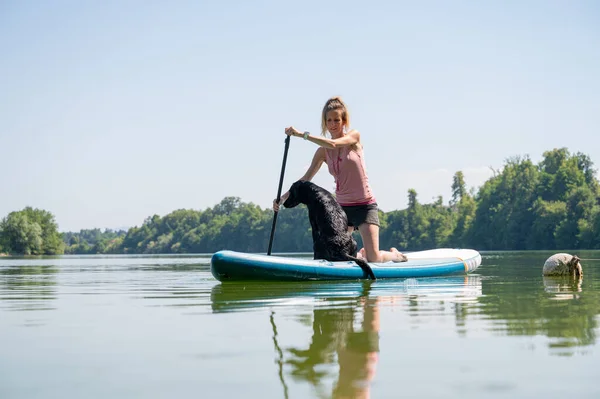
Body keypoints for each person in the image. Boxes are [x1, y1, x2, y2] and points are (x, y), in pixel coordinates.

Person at [273, 96, 406, 263]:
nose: (333, 124)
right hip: (342, 209)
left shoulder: (353, 138)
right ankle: (361, 255)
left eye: (337, 120)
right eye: (329, 120)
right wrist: (283, 197)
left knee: (374, 259)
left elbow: (334, 144)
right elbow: (305, 179)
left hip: (365, 206)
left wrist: (301, 135)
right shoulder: (322, 152)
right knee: (339, 255)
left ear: (344, 121)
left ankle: (394, 255)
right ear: (325, 122)